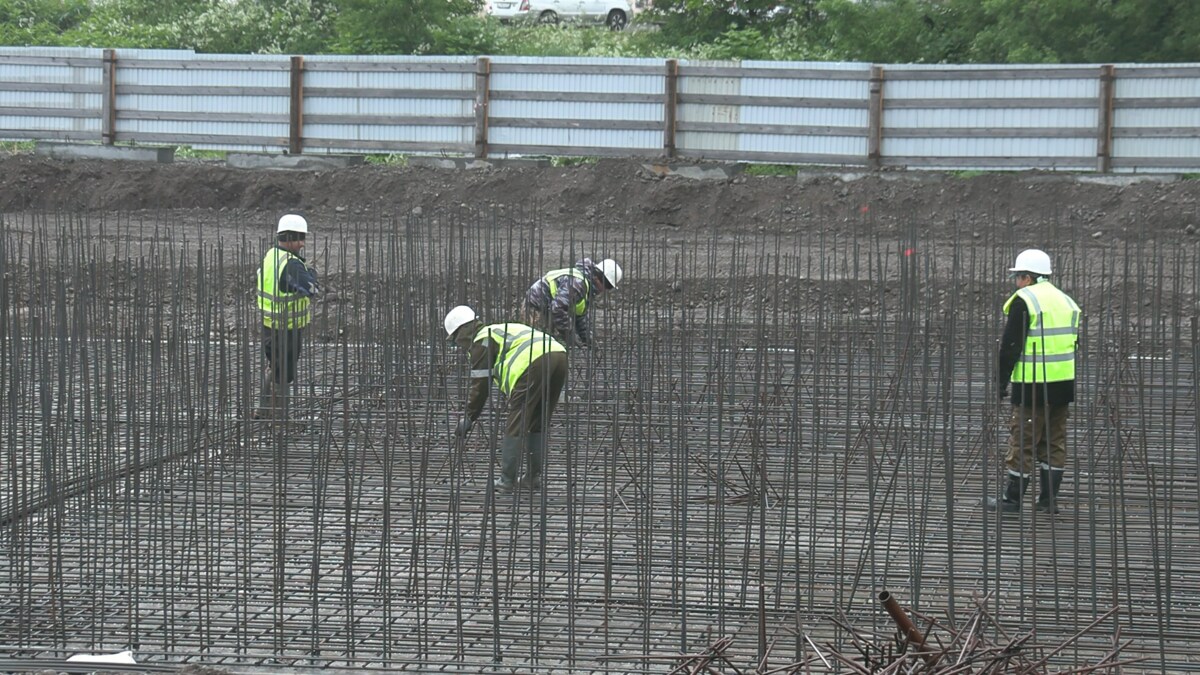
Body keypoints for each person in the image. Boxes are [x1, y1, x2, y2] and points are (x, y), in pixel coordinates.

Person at [986, 249, 1081, 514]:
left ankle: (1013, 500)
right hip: (1062, 385)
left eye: (1017, 276)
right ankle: (1048, 501)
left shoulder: (1025, 300)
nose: (1016, 282)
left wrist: (1000, 382)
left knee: (1023, 442)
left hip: (1032, 386)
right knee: (1054, 442)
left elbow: (1011, 345)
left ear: (1027, 277)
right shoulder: (1066, 301)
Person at [444, 305, 568, 493]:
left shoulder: (481, 341)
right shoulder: (497, 330)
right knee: (538, 421)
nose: (458, 346)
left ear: (462, 332)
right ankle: (533, 477)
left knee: (516, 421)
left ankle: (506, 480)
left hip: (534, 362)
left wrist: (469, 416)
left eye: (455, 341)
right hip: (559, 355)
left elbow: (481, 385)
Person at [254, 214, 320, 420]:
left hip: (269, 325)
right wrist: (311, 273)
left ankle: (263, 410)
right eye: (300, 238)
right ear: (290, 237)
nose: (302, 244)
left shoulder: (271, 256)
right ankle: (279, 417)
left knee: (275, 365)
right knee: (285, 372)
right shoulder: (291, 264)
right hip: (287, 328)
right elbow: (311, 289)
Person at [522, 258, 621, 349]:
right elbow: (557, 309)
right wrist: (569, 336)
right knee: (538, 346)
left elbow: (580, 317)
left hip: (548, 309)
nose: (604, 290)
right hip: (536, 308)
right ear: (599, 278)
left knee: (552, 346)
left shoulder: (587, 287)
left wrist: (589, 340)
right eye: (607, 286)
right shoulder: (578, 283)